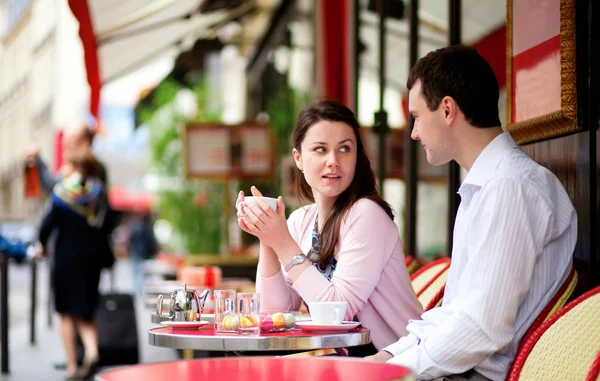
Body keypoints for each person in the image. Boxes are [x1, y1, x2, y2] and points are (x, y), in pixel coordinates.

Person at [366, 45, 577, 380]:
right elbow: (455, 315)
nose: (414, 132)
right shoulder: (488, 186)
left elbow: (480, 330)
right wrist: (386, 358)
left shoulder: (510, 186)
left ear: (447, 109)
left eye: (417, 116)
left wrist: (391, 372)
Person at [236, 100, 423, 356]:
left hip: (401, 364)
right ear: (298, 159)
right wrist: (266, 237)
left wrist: (281, 241)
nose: (333, 161)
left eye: (345, 149)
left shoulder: (367, 214)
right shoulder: (301, 220)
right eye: (320, 149)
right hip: (353, 363)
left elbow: (337, 312)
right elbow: (275, 313)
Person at [38, 148, 112, 380]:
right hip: (92, 261)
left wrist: (42, 244)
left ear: (73, 166)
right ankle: (92, 350)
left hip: (66, 259)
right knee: (86, 311)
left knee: (66, 314)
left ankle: (72, 365)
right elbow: (109, 224)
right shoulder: (99, 193)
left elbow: (45, 226)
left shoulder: (62, 193)